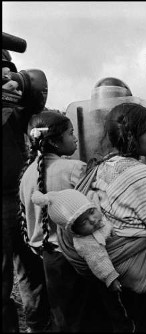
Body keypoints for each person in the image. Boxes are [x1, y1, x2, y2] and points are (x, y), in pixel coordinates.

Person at [58, 102, 146, 332]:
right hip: (143, 280)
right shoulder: (138, 174)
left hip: (119, 277)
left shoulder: (106, 165)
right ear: (132, 136)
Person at [18, 111, 114, 331]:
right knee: (93, 317)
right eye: (70, 133)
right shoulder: (74, 169)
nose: (75, 138)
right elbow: (99, 207)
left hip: (49, 260)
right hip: (79, 256)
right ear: (53, 141)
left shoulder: (27, 175)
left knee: (66, 319)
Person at [31, 188, 135, 331]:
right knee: (119, 309)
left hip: (123, 253)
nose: (92, 220)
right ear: (74, 230)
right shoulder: (86, 242)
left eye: (91, 212)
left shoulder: (97, 216)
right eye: (83, 222)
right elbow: (99, 261)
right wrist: (111, 279)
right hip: (115, 275)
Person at [3, 42, 50, 332]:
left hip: (18, 195)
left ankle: (39, 325)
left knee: (33, 269)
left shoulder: (13, 102)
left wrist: (15, 80)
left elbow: (37, 88)